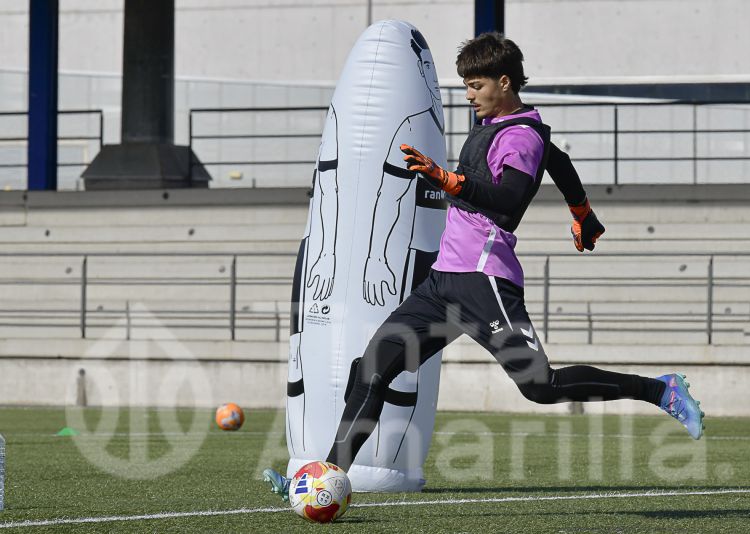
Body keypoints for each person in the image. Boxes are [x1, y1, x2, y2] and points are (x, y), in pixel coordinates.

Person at [265, 32, 704, 499]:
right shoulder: (508, 124)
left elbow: (509, 202)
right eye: (465, 86)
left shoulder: (519, 136)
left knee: (541, 385)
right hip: (442, 283)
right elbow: (560, 160)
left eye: (475, 85)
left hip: (483, 281)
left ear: (504, 81)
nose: (468, 95)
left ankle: (661, 391)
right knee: (372, 367)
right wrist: (583, 213)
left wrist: (448, 180)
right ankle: (322, 476)